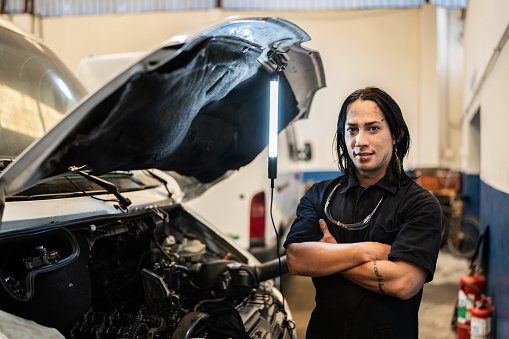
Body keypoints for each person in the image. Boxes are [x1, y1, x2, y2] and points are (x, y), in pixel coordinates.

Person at [284, 87, 443, 338]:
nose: (360, 141)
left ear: (396, 135)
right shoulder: (319, 195)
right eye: (352, 129)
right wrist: (369, 250)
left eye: (373, 128)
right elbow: (296, 259)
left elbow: (403, 282)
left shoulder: (420, 204)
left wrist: (328, 255)